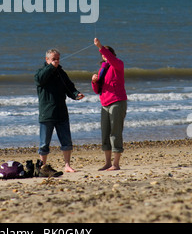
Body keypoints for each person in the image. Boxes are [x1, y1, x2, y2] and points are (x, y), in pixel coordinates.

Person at [34, 48, 84, 173]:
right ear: (47, 60)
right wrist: (51, 67)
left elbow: (70, 88)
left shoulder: (61, 73)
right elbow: (39, 79)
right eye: (53, 59)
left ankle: (67, 165)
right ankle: (43, 166)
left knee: (66, 141)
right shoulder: (41, 72)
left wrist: (76, 95)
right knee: (44, 144)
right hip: (47, 113)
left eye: (57, 59)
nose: (56, 61)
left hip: (61, 112)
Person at [91, 38, 127, 171]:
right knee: (105, 133)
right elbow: (97, 90)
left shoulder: (118, 64)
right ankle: (107, 163)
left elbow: (111, 58)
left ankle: (116, 164)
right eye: (102, 55)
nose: (104, 56)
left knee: (115, 133)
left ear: (111, 55)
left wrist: (100, 46)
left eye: (106, 54)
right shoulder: (103, 69)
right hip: (105, 103)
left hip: (117, 102)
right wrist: (94, 81)